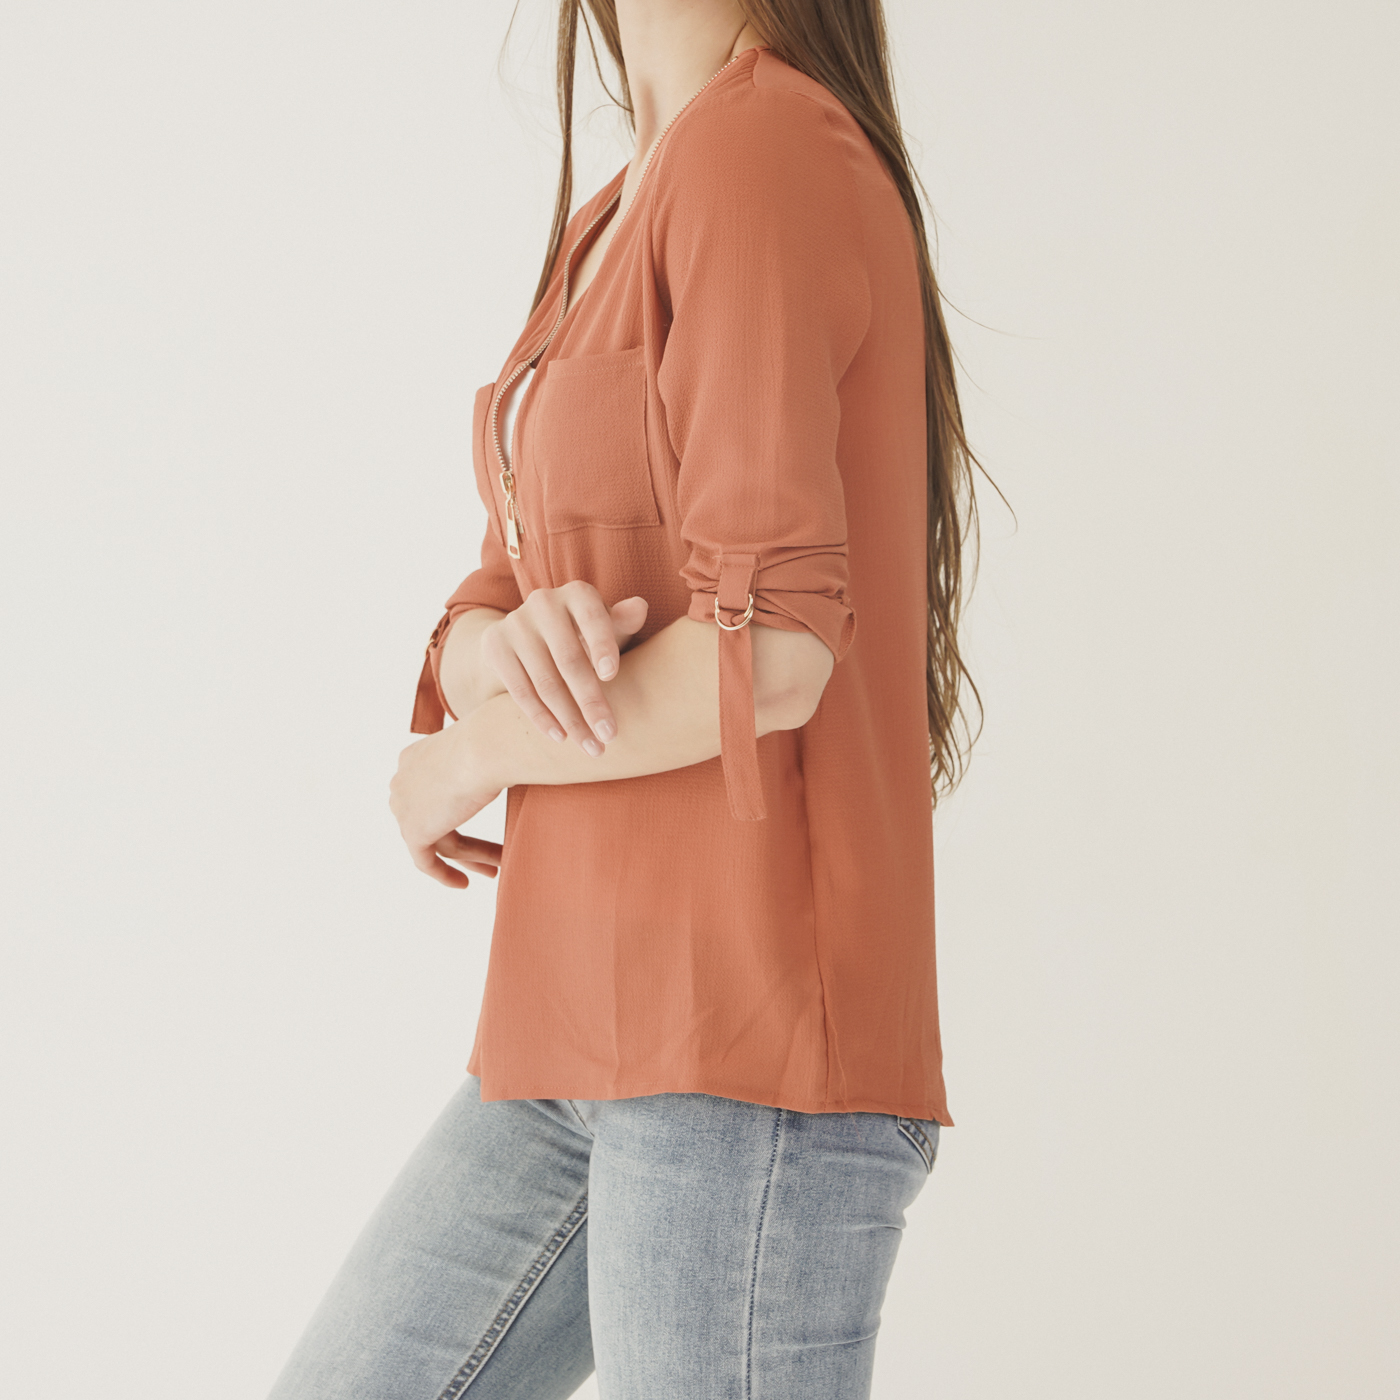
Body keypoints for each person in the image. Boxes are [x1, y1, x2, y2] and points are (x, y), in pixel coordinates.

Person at [269, 2, 980, 1396]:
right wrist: (489, 655)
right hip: (568, 1028)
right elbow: (511, 575)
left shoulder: (763, 153)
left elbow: (775, 653)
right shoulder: (628, 195)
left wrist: (472, 755)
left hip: (744, 1042)